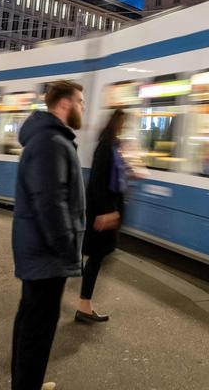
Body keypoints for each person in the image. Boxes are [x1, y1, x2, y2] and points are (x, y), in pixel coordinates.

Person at [12, 80, 85, 390]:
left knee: (31, 319)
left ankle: (25, 381)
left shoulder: (48, 139)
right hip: (47, 253)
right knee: (38, 327)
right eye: (80, 101)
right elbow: (51, 202)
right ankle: (27, 384)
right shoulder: (52, 142)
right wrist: (68, 249)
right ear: (65, 104)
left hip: (39, 250)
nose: (83, 107)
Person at [77, 108, 128, 324]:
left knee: (96, 258)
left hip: (106, 211)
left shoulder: (113, 145)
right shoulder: (106, 147)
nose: (124, 127)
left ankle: (84, 305)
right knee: (96, 258)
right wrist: (107, 212)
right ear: (116, 123)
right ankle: (84, 307)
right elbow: (98, 181)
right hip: (102, 213)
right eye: (123, 123)